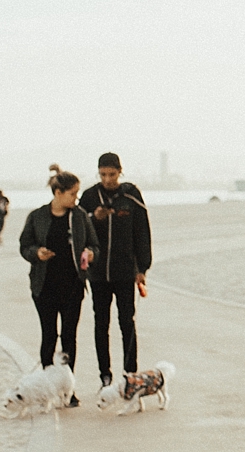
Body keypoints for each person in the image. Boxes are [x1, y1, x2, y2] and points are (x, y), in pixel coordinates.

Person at [18, 169, 99, 401]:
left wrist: (91, 254)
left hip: (73, 286)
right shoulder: (38, 216)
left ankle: (68, 389)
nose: (76, 198)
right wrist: (37, 253)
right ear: (58, 192)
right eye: (72, 193)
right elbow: (24, 246)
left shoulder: (80, 216)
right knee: (49, 335)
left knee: (69, 337)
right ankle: (46, 385)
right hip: (44, 286)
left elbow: (95, 245)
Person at [79, 153, 152, 389]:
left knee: (127, 322)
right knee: (101, 323)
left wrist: (142, 267)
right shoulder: (90, 196)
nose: (107, 179)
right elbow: (79, 228)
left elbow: (142, 232)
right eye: (103, 174)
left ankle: (130, 373)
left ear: (120, 171)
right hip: (98, 273)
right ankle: (105, 375)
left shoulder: (131, 196)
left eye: (112, 174)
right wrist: (93, 217)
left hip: (125, 272)